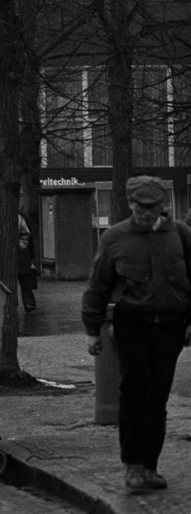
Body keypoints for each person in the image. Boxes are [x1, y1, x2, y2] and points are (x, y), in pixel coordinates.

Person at [81, 175, 191, 495]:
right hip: (132, 324)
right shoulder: (116, 238)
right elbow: (98, 285)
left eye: (153, 207)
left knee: (158, 397)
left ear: (163, 206)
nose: (146, 212)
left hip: (170, 326)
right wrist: (92, 330)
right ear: (130, 204)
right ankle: (132, 466)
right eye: (140, 206)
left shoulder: (182, 236)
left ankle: (150, 467)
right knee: (135, 391)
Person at [16, 210, 38, 311]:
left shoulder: (21, 216)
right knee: (25, 278)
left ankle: (28, 301)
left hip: (21, 251)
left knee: (24, 276)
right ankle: (29, 302)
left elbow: (28, 236)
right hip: (23, 251)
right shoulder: (22, 215)